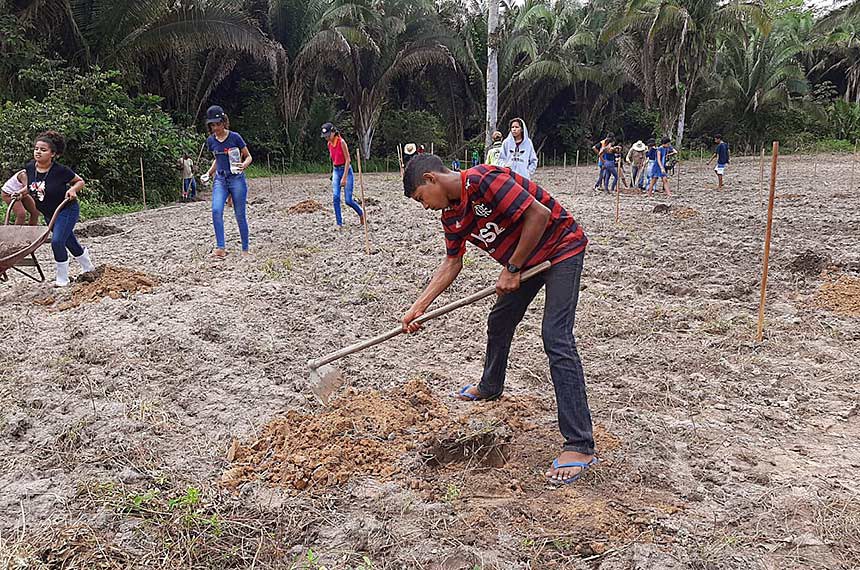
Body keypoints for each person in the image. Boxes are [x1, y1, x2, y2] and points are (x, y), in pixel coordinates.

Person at [400, 154, 597, 485]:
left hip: (560, 249)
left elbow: (539, 214)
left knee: (555, 336)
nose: (425, 207)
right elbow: (452, 263)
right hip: (525, 261)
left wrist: (513, 267)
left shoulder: (485, 180)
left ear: (431, 179)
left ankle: (579, 444)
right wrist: (419, 306)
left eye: (421, 198)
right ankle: (491, 387)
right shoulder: (451, 215)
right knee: (500, 321)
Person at [23, 131, 94, 285]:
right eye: (36, 149)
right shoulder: (30, 167)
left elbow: (80, 181)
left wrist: (73, 189)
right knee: (68, 241)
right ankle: (88, 266)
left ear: (53, 154)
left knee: (57, 242)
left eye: (43, 150)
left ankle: (62, 278)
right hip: (49, 213)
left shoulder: (60, 170)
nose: (38, 152)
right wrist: (20, 193)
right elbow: (32, 187)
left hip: (66, 210)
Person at [203, 105, 252, 257]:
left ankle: (245, 248)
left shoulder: (235, 137)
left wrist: (243, 165)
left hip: (236, 179)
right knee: (216, 210)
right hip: (220, 179)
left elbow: (248, 156)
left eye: (218, 124)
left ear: (224, 122)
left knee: (239, 214)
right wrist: (208, 173)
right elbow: (217, 159)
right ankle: (220, 247)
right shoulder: (211, 141)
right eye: (213, 125)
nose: (216, 127)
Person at [321, 122, 365, 228]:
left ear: (333, 132)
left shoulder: (341, 142)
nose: (326, 138)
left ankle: (361, 213)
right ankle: (339, 223)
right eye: (325, 136)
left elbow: (348, 160)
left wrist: (344, 177)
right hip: (336, 170)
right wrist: (334, 174)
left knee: (348, 200)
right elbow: (334, 159)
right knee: (336, 197)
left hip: (346, 170)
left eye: (328, 135)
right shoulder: (329, 144)